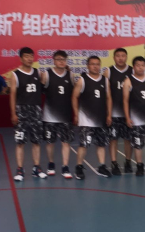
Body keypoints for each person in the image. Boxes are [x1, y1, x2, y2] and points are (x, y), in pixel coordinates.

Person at [71, 56, 112, 180]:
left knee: (101, 144)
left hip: (101, 118)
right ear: (88, 66)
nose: (95, 66)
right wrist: (76, 114)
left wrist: (109, 114)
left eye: (97, 64)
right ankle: (79, 167)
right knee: (84, 144)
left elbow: (109, 98)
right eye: (93, 64)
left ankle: (102, 166)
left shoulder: (105, 80)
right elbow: (74, 97)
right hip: (86, 119)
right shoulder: (82, 80)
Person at [10, 47, 47, 182]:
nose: (29, 58)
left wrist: (43, 81)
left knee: (36, 141)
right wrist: (13, 113)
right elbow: (12, 95)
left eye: (31, 56)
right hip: (22, 110)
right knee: (20, 142)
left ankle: (36, 168)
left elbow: (43, 88)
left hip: (36, 110)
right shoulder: (15, 75)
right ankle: (20, 169)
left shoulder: (38, 73)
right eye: (26, 56)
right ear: (21, 58)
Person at [41, 50, 75, 179]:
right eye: (59, 59)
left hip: (66, 115)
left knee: (66, 142)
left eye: (63, 59)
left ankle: (65, 166)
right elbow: (41, 91)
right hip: (50, 115)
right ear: (54, 60)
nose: (61, 61)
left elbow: (74, 94)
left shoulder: (71, 75)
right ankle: (51, 164)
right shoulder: (47, 74)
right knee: (50, 142)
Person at [104, 48, 133, 176]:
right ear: (114, 57)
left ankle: (128, 162)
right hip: (114, 113)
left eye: (123, 56)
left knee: (128, 139)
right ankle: (114, 163)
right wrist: (108, 113)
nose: (120, 58)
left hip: (129, 114)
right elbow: (105, 94)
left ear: (126, 57)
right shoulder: (108, 72)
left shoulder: (132, 71)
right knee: (113, 139)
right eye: (118, 56)